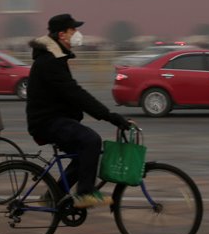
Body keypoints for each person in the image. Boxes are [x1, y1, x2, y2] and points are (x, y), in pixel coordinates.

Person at [26, 13, 133, 208]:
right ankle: (84, 193)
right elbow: (75, 93)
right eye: (73, 29)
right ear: (62, 35)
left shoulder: (55, 57)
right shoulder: (50, 61)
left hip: (53, 118)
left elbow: (71, 93)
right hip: (46, 122)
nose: (77, 33)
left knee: (85, 153)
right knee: (91, 140)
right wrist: (109, 116)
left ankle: (53, 195)